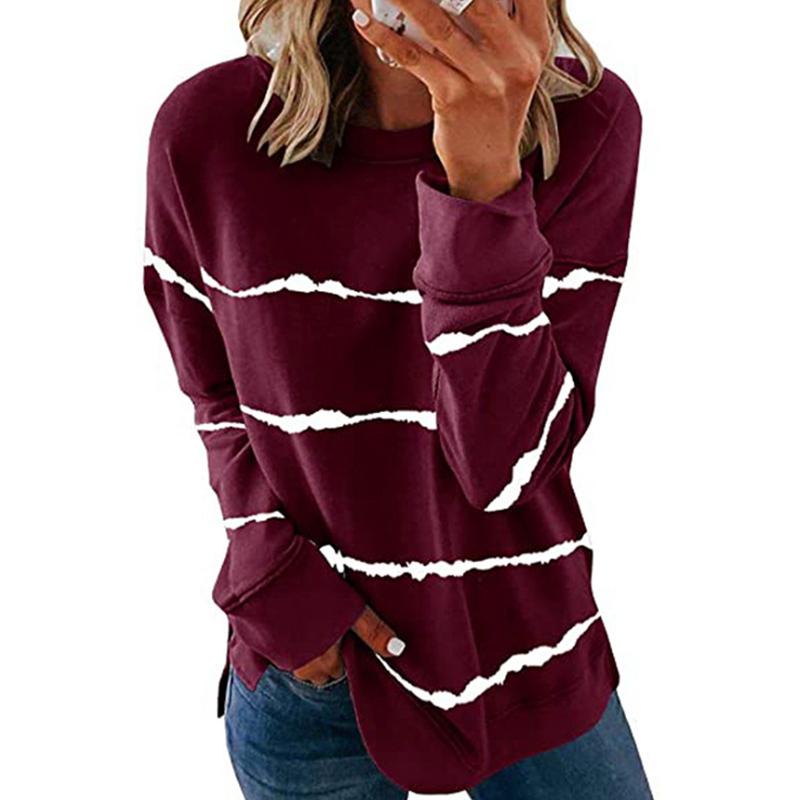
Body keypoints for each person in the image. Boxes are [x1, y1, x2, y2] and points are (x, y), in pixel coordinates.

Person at [142, 0, 651, 796]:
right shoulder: (206, 130)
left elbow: (506, 470)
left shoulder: (591, 123)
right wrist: (279, 585)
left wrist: (483, 188)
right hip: (312, 664)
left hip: (525, 645)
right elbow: (215, 394)